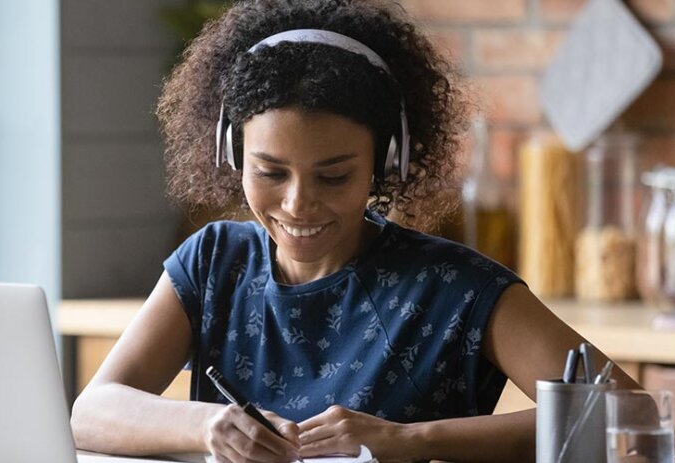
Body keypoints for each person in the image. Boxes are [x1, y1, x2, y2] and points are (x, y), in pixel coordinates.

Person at [70, 1, 641, 462]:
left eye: (334, 175)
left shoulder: (451, 286)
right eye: (270, 172)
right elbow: (91, 412)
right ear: (231, 154)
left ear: (385, 163)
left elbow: (626, 413)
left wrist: (410, 441)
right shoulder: (215, 261)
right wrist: (208, 425)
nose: (298, 203)